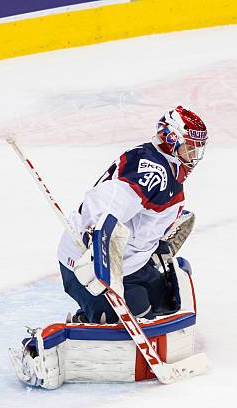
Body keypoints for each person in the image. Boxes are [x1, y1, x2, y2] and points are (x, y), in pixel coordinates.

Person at [56, 105, 208, 323]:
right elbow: (106, 200)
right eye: (191, 148)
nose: (194, 157)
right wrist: (94, 242)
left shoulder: (164, 166)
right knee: (126, 321)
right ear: (172, 139)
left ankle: (154, 249)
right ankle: (85, 321)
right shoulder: (153, 171)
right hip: (88, 265)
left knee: (164, 303)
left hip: (129, 262)